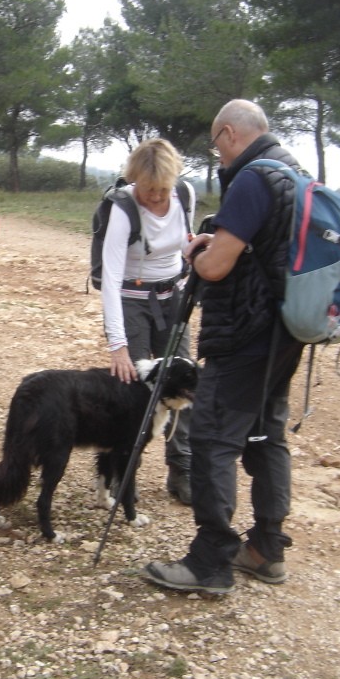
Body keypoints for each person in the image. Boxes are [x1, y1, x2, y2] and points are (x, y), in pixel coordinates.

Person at [142, 99, 305, 595]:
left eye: (217, 145)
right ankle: (265, 549)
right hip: (287, 330)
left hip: (245, 333)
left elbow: (215, 268)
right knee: (265, 435)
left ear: (231, 134)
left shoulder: (255, 178)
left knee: (213, 437)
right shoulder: (298, 175)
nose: (219, 155)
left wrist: (200, 251)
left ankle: (210, 560)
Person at [101, 138, 195, 504]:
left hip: (173, 297)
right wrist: (118, 346)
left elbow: (185, 246)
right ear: (134, 181)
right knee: (136, 392)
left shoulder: (185, 195)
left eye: (162, 190)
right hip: (131, 301)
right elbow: (110, 278)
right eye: (147, 190)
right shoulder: (123, 208)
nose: (156, 198)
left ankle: (181, 467)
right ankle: (124, 470)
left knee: (186, 382)